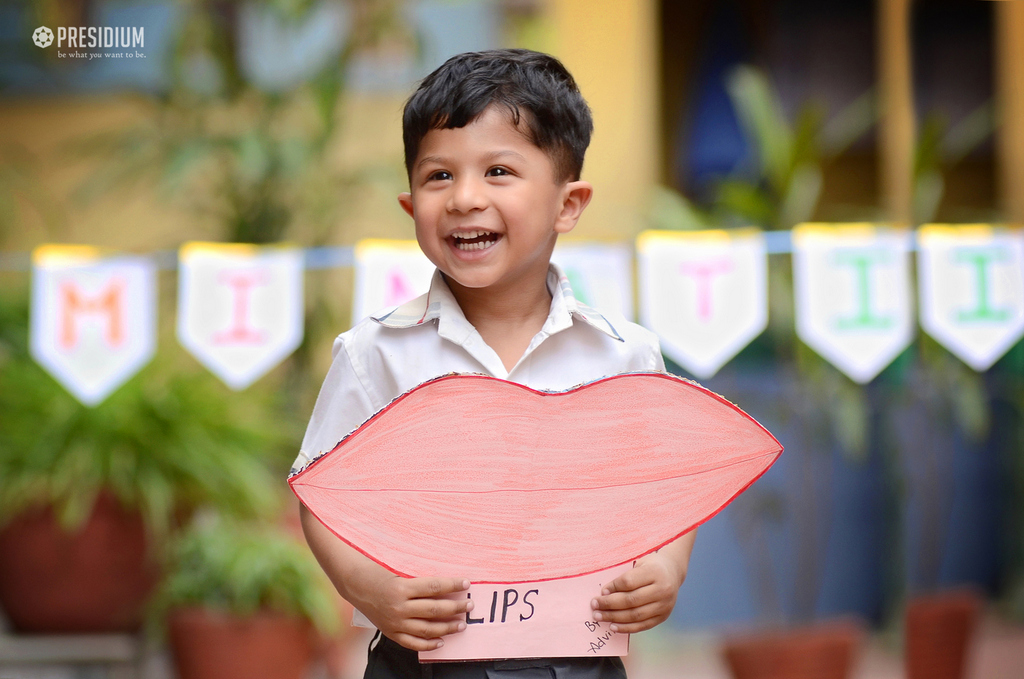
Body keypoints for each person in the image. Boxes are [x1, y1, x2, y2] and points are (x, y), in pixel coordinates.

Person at [296, 48, 697, 679]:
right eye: (438, 177)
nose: (464, 198)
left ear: (568, 204)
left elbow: (668, 488)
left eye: (499, 171)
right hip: (421, 661)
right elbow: (322, 497)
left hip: (580, 656)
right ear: (411, 210)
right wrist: (368, 589)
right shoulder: (374, 355)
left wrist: (666, 568)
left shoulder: (622, 353)